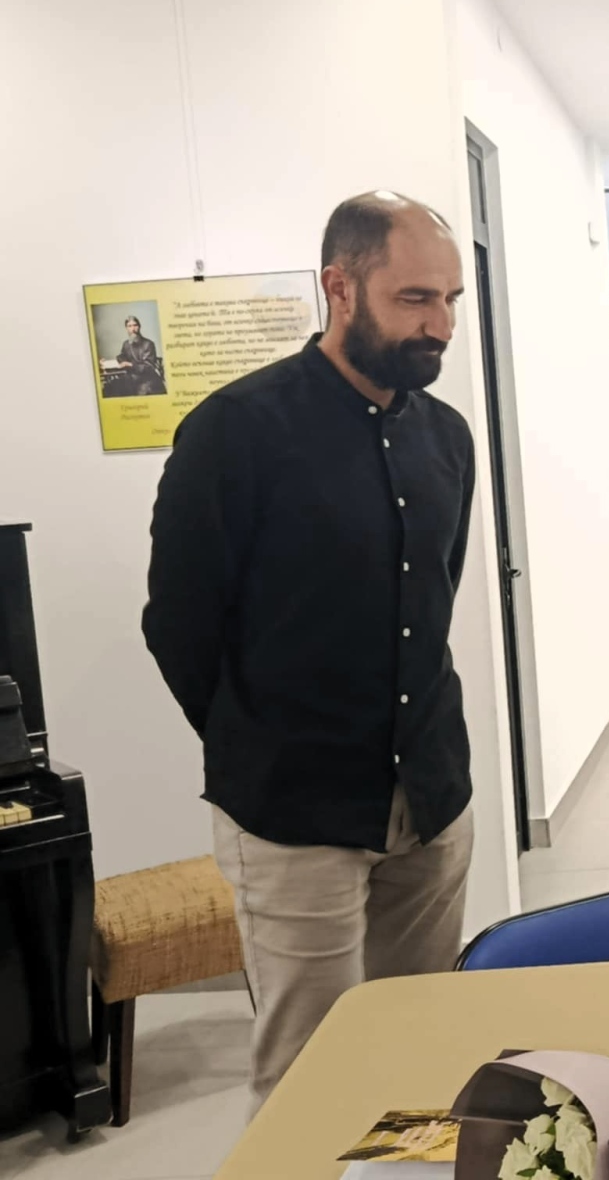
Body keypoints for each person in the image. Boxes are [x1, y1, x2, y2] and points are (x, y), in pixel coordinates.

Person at [142, 190, 475, 1108]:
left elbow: (433, 598)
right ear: (340, 287)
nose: (441, 325)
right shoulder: (235, 431)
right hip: (295, 817)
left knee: (423, 1063)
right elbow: (178, 625)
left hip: (432, 801)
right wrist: (261, 737)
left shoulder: (447, 438)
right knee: (310, 1084)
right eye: (416, 298)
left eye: (451, 300)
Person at [107, 316, 167, 397]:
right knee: (111, 387)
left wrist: (129, 364)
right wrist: (119, 360)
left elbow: (148, 367)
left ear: (139, 327)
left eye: (135, 325)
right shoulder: (126, 344)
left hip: (148, 380)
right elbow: (122, 356)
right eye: (129, 326)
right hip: (132, 379)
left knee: (139, 391)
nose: (133, 329)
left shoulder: (148, 344)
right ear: (126, 328)